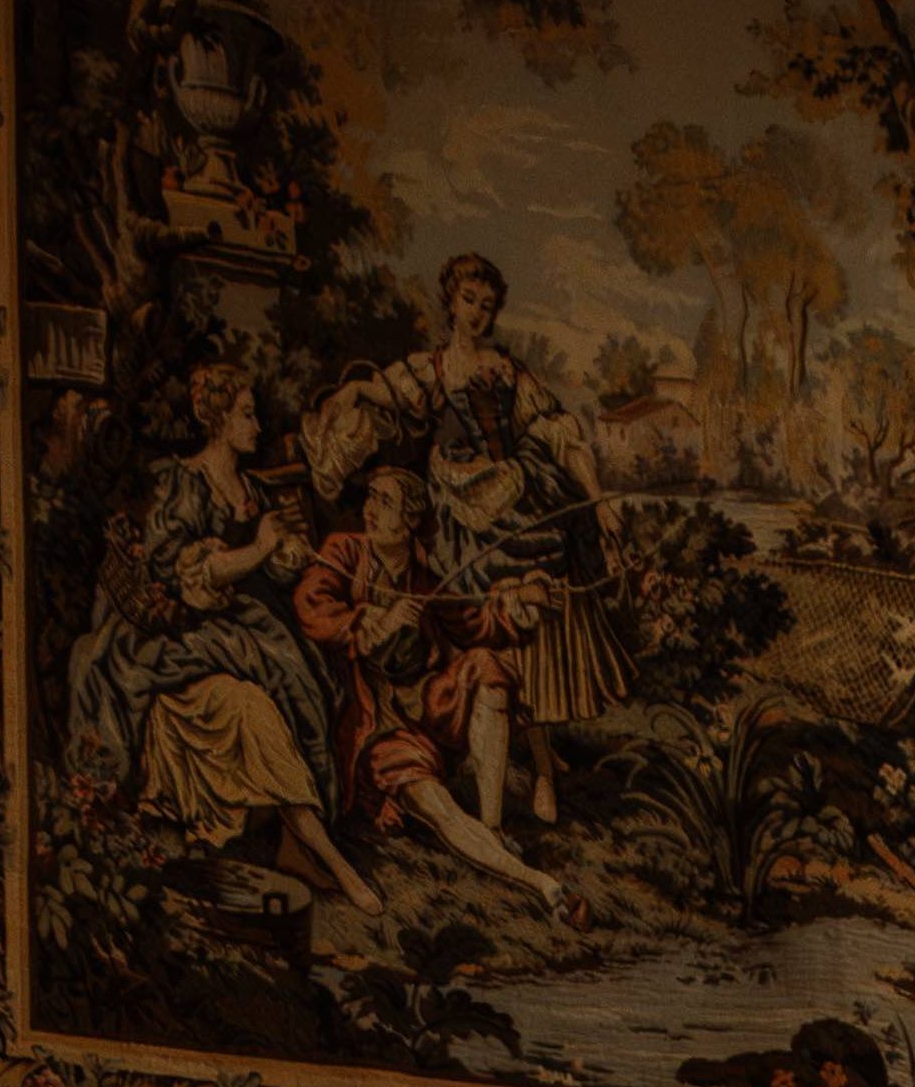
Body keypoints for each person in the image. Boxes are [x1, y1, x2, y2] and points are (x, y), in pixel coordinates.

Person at [58, 357, 376, 913]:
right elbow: (181, 573)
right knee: (256, 699)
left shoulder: (252, 487)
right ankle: (328, 858)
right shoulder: (180, 480)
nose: (257, 427)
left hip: (234, 624)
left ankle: (298, 843)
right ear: (219, 419)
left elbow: (271, 571)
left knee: (308, 678)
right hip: (180, 629)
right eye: (247, 416)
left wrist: (287, 555)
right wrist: (257, 548)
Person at [311, 257, 618, 828]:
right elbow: (381, 395)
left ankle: (546, 770)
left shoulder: (506, 371)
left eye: (487, 305)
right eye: (469, 300)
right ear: (450, 302)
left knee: (527, 639)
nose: (477, 313)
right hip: (454, 521)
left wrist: (598, 501)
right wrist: (350, 397)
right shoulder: (429, 369)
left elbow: (558, 430)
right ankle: (473, 763)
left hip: (513, 513)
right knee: (469, 640)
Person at [293, 463, 570, 906]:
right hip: (379, 724)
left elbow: (475, 624)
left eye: (385, 502)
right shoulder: (343, 552)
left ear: (410, 522)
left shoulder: (425, 573)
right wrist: (374, 623)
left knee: (487, 669)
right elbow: (312, 606)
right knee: (439, 810)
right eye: (371, 497)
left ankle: (493, 824)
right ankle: (537, 882)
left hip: (431, 704)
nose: (370, 509)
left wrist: (521, 602)